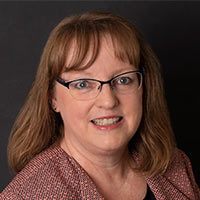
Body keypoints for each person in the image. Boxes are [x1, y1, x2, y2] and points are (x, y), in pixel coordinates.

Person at [0, 11, 199, 200]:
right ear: (52, 97)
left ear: (144, 87)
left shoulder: (175, 166)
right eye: (83, 84)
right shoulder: (30, 193)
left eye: (123, 80)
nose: (108, 101)